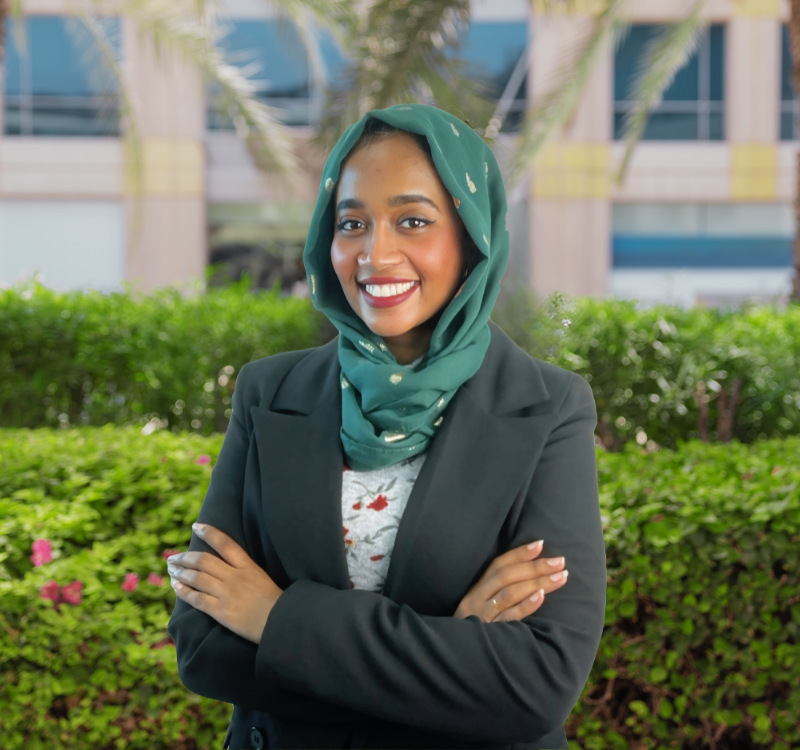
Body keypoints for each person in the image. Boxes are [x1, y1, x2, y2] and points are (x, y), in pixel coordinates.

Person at [166, 104, 606, 750]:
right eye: (352, 224)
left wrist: (274, 618)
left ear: (472, 235)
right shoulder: (269, 394)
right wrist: (450, 651)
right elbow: (204, 647)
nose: (375, 254)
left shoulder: (549, 408)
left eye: (413, 221)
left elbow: (536, 682)